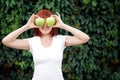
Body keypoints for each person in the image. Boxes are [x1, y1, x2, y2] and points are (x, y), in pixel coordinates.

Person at [2, 9, 90, 80]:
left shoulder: (61, 40)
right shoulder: (32, 42)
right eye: (41, 22)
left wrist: (63, 25)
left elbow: (85, 38)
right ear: (37, 23)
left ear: (53, 23)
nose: (45, 26)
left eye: (47, 22)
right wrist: (27, 26)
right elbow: (6, 41)